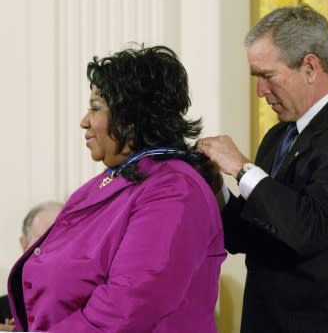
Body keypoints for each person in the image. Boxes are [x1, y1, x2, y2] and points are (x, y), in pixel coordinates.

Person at [197, 4, 328, 333]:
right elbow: (253, 235)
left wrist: (243, 169)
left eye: (268, 76)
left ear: (310, 66)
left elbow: (309, 230)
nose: (261, 90)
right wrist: (218, 187)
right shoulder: (279, 135)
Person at [7, 45, 226, 332]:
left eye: (96, 108)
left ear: (132, 118)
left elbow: (127, 307)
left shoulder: (175, 190)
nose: (84, 121)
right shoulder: (105, 183)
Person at [0, 201, 63, 332]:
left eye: (64, 241)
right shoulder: (3, 309)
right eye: (42, 242)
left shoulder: (94, 307)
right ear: (24, 245)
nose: (55, 253)